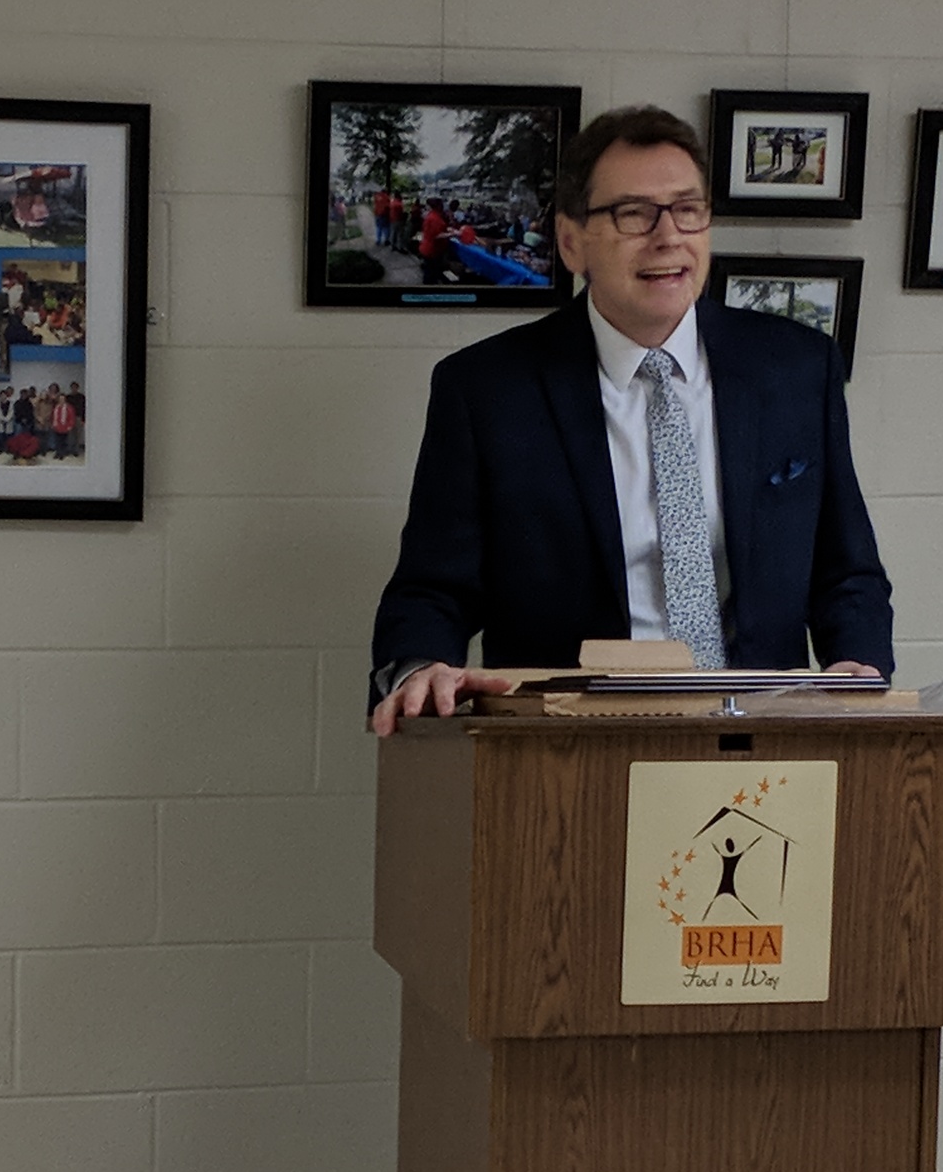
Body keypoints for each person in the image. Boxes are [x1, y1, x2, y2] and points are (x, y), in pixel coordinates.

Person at [368, 103, 893, 729]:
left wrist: (858, 665)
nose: (668, 236)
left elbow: (847, 571)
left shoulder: (796, 368)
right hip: (566, 743)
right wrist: (419, 665)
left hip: (758, 737)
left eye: (688, 209)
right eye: (634, 213)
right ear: (571, 242)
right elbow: (432, 587)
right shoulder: (487, 389)